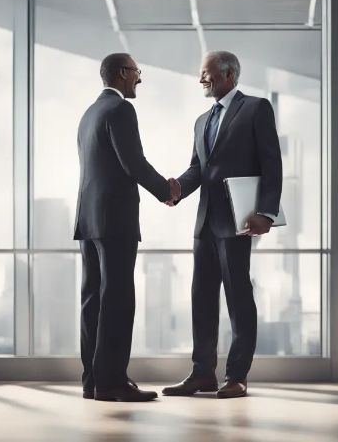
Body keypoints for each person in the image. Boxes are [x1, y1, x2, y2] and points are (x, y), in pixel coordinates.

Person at [162, 51, 282, 399]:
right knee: (201, 298)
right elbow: (199, 168)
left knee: (239, 298)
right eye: (200, 74)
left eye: (206, 73)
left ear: (229, 74)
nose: (201, 79)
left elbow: (272, 164)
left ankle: (237, 376)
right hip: (205, 224)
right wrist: (176, 190)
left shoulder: (256, 109)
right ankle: (202, 374)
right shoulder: (202, 121)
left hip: (238, 221)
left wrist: (267, 212)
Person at [74, 53, 181, 401]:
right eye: (137, 72)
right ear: (122, 73)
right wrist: (167, 191)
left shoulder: (89, 114)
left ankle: (93, 380)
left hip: (88, 220)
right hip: (115, 219)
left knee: (93, 300)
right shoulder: (121, 110)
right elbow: (133, 162)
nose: (140, 78)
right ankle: (112, 383)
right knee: (118, 299)